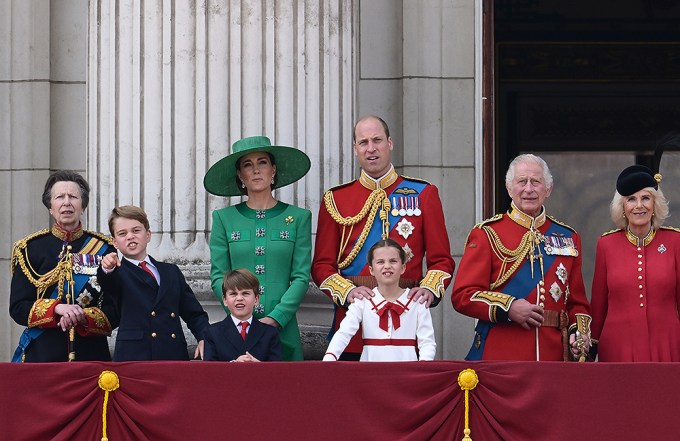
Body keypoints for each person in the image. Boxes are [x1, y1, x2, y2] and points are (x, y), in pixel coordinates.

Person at [312, 115, 454, 360]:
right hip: (354, 323)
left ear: (389, 143)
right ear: (355, 149)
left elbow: (441, 261)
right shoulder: (335, 199)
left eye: (377, 140)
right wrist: (347, 293)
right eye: (363, 142)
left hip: (407, 319)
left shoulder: (424, 194)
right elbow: (322, 265)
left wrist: (428, 290)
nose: (371, 148)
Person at [451, 154, 592, 361]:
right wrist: (509, 307)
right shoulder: (487, 234)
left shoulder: (569, 237)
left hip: (552, 356)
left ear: (548, 189)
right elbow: (463, 295)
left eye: (536, 182)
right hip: (502, 354)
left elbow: (578, 304)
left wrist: (578, 335)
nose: (528, 189)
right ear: (509, 188)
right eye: (521, 182)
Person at [204, 135, 312, 361]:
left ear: (273, 169)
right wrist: (241, 317)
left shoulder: (299, 217)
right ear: (240, 175)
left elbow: (301, 277)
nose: (255, 170)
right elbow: (218, 276)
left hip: (283, 327)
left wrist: (277, 318)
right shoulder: (224, 218)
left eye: (262, 162)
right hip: (238, 331)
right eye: (247, 165)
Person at [10, 170, 118, 362]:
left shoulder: (105, 248)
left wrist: (83, 316)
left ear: (83, 205)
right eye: (60, 197)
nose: (67, 202)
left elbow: (116, 310)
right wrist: (57, 309)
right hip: (43, 356)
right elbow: (18, 307)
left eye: (73, 197)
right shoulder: (29, 248)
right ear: (50, 207)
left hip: (91, 356)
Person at [590, 164, 680, 361]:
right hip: (618, 348)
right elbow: (598, 305)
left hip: (667, 345)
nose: (639, 205)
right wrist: (591, 347)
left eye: (645, 198)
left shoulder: (675, 242)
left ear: (654, 205)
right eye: (631, 199)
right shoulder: (606, 245)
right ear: (622, 207)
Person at [97, 205, 210, 361]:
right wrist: (106, 268)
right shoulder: (116, 273)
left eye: (136, 230)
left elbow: (194, 313)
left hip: (173, 354)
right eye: (122, 233)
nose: (130, 236)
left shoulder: (171, 272)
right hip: (134, 357)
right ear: (115, 242)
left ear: (148, 235)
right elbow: (108, 284)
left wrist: (205, 338)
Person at [323, 239, 436, 361]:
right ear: (371, 270)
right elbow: (344, 333)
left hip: (407, 373)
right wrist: (329, 358)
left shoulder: (417, 301)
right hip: (370, 372)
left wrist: (424, 367)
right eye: (380, 262)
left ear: (403, 267)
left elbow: (427, 342)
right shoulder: (362, 301)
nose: (387, 266)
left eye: (393, 261)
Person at [203, 269, 283, 362]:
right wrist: (234, 366)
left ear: (256, 299)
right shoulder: (212, 333)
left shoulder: (270, 333)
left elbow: (277, 371)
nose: (239, 298)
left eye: (245, 293)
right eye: (233, 294)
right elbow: (209, 372)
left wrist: (259, 367)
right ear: (225, 300)